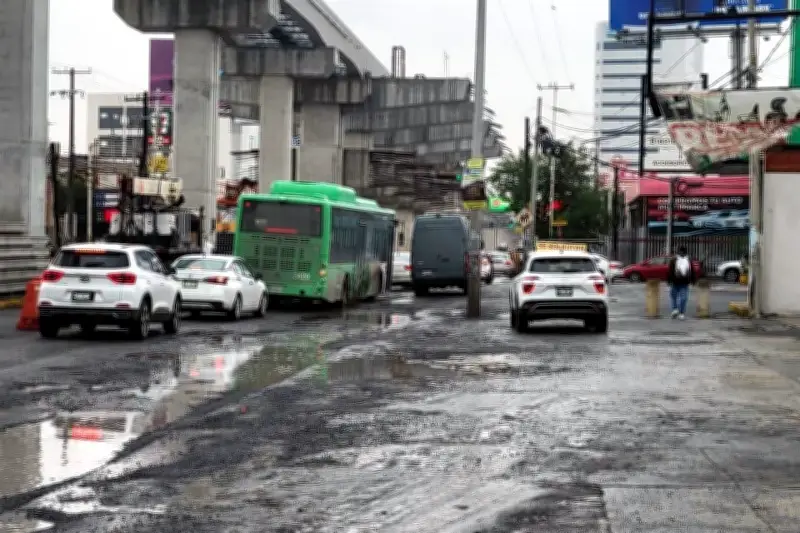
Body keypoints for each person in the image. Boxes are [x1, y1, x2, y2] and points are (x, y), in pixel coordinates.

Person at [667, 246, 696, 320]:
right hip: (675, 282)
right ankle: (675, 310)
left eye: (682, 252)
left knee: (683, 298)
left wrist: (693, 280)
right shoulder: (674, 260)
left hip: (683, 283)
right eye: (680, 252)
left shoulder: (688, 260)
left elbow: (692, 270)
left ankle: (680, 312)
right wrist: (669, 280)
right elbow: (670, 270)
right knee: (674, 296)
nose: (681, 253)